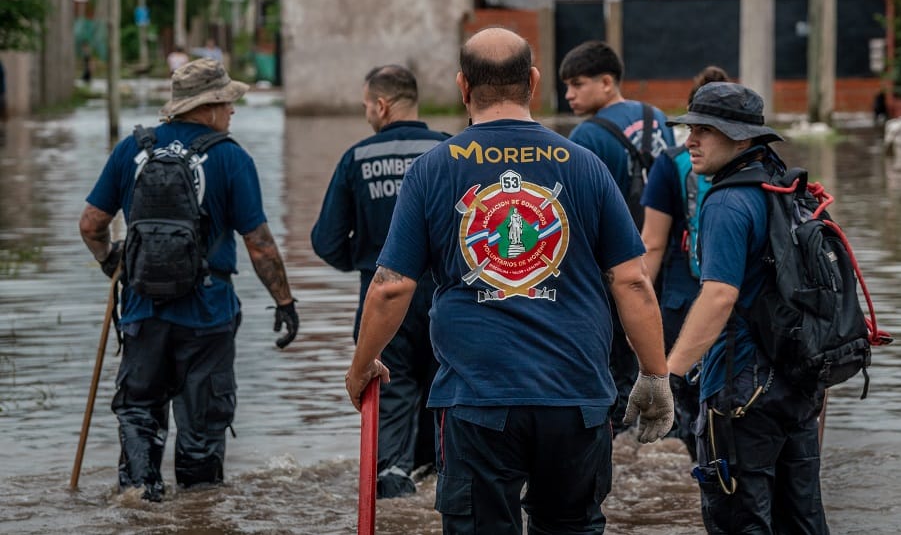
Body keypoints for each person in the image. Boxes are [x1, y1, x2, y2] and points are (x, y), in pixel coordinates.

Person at [344, 27, 673, 533]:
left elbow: (391, 286)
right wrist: (655, 375)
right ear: (535, 82)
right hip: (576, 398)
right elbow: (632, 281)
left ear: (462, 86)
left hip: (479, 400)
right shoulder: (583, 164)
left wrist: (362, 363)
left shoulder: (433, 169)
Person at [79, 58, 299, 502]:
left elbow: (90, 224)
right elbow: (259, 242)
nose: (233, 112)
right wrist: (285, 302)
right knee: (201, 431)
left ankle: (140, 499)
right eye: (228, 102)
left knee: (139, 414)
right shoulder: (230, 157)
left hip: (142, 311)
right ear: (210, 106)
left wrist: (112, 262)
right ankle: (199, 515)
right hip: (208, 315)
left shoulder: (131, 150)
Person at [665, 82, 829, 534]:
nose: (691, 140)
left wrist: (670, 373)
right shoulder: (787, 188)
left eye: (705, 130)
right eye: (690, 128)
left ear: (741, 139)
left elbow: (719, 296)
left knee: (740, 520)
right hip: (797, 383)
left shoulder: (726, 202)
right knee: (802, 517)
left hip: (742, 392)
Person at [311, 64, 447, 498]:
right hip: (448, 299)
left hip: (385, 299)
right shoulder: (451, 151)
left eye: (367, 105)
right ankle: (440, 483)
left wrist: (369, 260)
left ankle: (393, 486)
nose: (367, 112)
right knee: (444, 397)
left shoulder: (358, 158)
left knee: (392, 389)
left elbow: (326, 241)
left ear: (382, 104)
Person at [560, 39, 674, 435]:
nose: (569, 95)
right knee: (653, 349)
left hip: (612, 261)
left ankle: (617, 428)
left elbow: (571, 212)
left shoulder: (586, 137)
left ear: (606, 82)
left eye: (577, 84)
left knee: (612, 357)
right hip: (661, 255)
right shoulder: (656, 116)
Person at [640, 65, 730, 461]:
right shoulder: (758, 162)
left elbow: (653, 244)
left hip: (683, 298)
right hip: (738, 299)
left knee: (686, 403)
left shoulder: (670, 163)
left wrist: (637, 310)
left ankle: (696, 471)